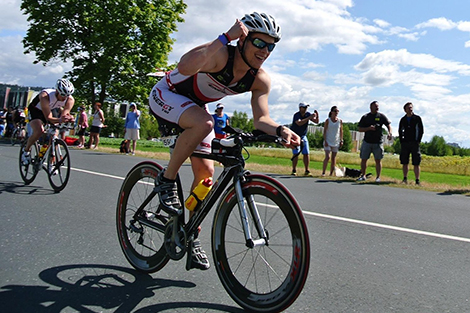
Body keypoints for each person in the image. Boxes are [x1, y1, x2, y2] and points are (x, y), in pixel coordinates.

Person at [148, 12, 300, 270]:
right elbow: (184, 67)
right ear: (243, 39)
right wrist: (224, 37)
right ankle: (166, 180)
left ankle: (190, 235)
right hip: (166, 94)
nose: (265, 51)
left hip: (194, 108)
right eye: (259, 43)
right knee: (205, 123)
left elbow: (262, 119)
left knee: (206, 176)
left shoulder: (259, 79)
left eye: (271, 46)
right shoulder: (221, 54)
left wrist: (281, 130)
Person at [21, 79, 75, 164]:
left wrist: (68, 118)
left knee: (55, 135)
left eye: (67, 95)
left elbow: (63, 115)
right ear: (57, 91)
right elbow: (48, 117)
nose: (64, 98)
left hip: (52, 109)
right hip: (36, 110)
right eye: (63, 95)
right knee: (39, 131)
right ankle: (26, 151)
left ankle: (51, 163)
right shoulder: (45, 95)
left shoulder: (70, 100)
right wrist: (60, 120)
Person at [357, 100, 392, 182]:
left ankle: (378, 177)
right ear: (370, 107)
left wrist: (389, 133)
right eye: (375, 106)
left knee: (378, 160)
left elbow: (388, 125)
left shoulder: (381, 116)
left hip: (378, 142)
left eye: (377, 106)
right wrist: (369, 128)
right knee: (364, 159)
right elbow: (360, 129)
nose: (377, 108)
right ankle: (363, 175)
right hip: (367, 141)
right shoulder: (366, 117)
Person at [398, 102, 424, 185]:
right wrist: (401, 140)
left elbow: (421, 130)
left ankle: (417, 180)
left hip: (414, 143)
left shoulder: (417, 118)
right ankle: (405, 179)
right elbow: (400, 130)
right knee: (405, 162)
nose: (410, 109)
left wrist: (418, 141)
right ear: (405, 110)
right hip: (405, 143)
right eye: (408, 108)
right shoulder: (403, 119)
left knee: (416, 162)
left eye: (411, 107)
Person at [290, 102, 319, 176]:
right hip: (295, 135)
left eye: (306, 107)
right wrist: (309, 118)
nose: (306, 109)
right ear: (300, 108)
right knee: (296, 153)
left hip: (303, 136)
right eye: (304, 107)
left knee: (306, 153)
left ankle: (307, 170)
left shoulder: (307, 114)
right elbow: (299, 123)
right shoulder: (297, 115)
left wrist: (317, 115)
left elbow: (316, 122)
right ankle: (294, 170)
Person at [322, 106, 343, 176]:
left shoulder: (340, 121)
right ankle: (323, 172)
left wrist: (341, 140)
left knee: (333, 158)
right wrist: (325, 140)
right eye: (335, 111)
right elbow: (324, 131)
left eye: (337, 111)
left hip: (336, 141)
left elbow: (341, 131)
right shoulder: (328, 120)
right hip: (328, 140)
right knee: (328, 156)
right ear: (332, 112)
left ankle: (331, 173)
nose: (336, 113)